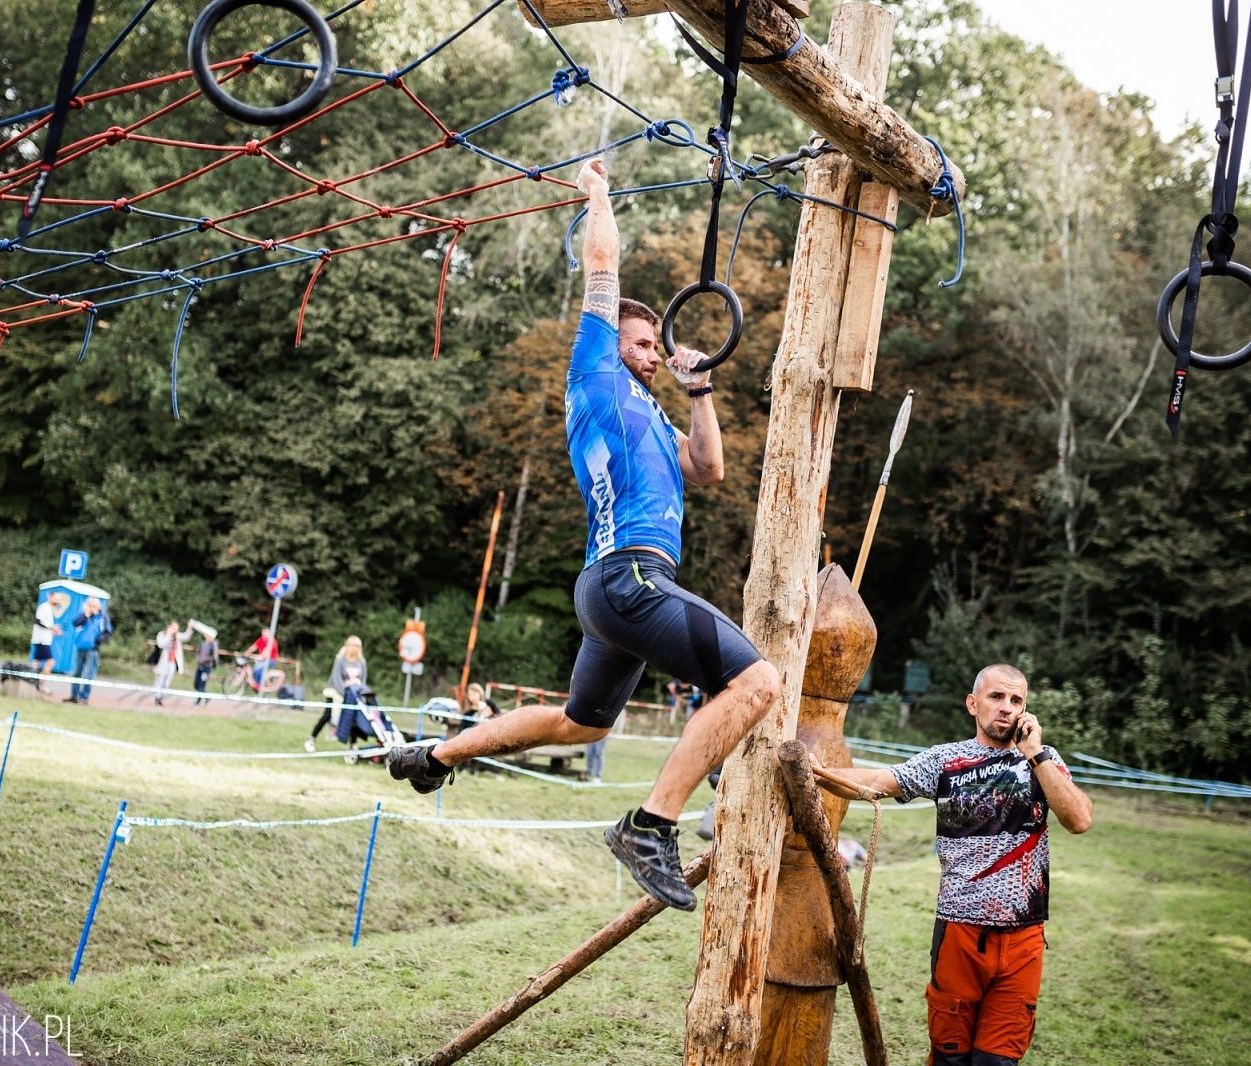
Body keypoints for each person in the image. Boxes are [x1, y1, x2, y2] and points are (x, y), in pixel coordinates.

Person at [388, 159, 781, 912]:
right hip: (630, 579)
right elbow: (601, 267)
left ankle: (434, 755)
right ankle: (650, 825)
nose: (652, 356)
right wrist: (598, 194)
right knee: (758, 682)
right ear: (614, 344)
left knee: (578, 723)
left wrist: (699, 392)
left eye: (655, 350)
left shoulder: (656, 419)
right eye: (643, 344)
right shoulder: (596, 376)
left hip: (612, 590)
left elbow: (710, 468)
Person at [811, 664, 1094, 1066]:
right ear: (973, 703)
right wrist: (812, 772)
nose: (1007, 708)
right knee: (950, 1058)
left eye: (1016, 700)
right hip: (960, 932)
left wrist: (1037, 755)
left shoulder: (1043, 763)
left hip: (1023, 938)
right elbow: (879, 781)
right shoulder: (946, 760)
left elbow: (1079, 820)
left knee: (996, 1062)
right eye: (997, 697)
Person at [307, 635, 367, 751]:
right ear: (346, 646)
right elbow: (336, 678)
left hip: (353, 695)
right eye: (351, 645)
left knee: (353, 718)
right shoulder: (340, 660)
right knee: (327, 715)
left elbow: (363, 680)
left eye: (356, 646)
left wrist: (359, 693)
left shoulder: (361, 662)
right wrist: (344, 693)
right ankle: (311, 739)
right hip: (336, 692)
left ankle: (353, 745)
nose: (353, 648)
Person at [66, 598, 108, 705]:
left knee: (88, 674)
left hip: (92, 649)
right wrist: (86, 616)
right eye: (90, 605)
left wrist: (97, 640)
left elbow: (107, 632)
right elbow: (75, 623)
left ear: (98, 607)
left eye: (94, 606)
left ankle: (84, 697)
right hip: (80, 648)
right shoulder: (83, 616)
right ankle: (74, 696)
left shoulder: (102, 618)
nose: (91, 607)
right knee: (76, 672)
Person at [28, 593, 64, 688]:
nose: (57, 601)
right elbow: (38, 621)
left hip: (44, 640)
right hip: (41, 640)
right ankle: (40, 684)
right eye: (56, 599)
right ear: (50, 597)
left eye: (59, 599)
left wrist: (52, 629)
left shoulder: (48, 608)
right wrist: (51, 628)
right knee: (50, 662)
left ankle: (31, 681)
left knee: (36, 662)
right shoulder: (44, 607)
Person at [151, 619, 190, 705]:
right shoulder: (162, 635)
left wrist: (189, 628)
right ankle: (157, 697)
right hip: (162, 662)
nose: (176, 630)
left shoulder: (177, 636)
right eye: (175, 628)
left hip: (172, 662)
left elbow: (186, 636)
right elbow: (161, 644)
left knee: (167, 680)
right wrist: (168, 635)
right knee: (160, 679)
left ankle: (161, 696)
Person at [193, 624, 219, 705]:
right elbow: (199, 652)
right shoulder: (203, 643)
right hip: (200, 666)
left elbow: (214, 656)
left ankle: (198, 701)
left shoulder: (213, 645)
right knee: (196, 684)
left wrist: (212, 663)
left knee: (201, 685)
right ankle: (206, 696)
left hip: (206, 667)